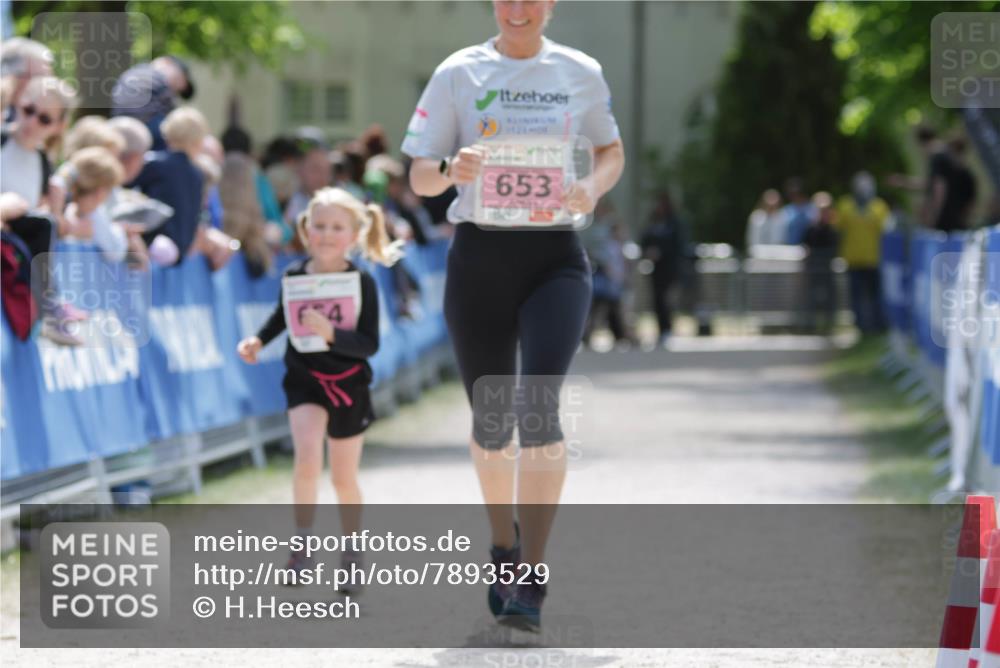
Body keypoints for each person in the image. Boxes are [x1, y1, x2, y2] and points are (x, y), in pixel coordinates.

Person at [403, 0, 625, 631]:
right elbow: (418, 174)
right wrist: (450, 168)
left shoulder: (580, 71)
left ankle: (531, 571)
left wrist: (592, 186)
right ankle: (503, 543)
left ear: (550, 5)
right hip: (479, 258)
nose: (519, 8)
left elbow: (611, 151)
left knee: (539, 406)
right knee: (492, 421)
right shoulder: (458, 72)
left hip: (555, 255)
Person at [236, 187, 403, 590]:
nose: (327, 234)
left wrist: (333, 335)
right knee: (307, 458)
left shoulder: (361, 281)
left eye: (337, 227)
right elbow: (282, 315)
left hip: (348, 384)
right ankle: (302, 546)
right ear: (306, 229)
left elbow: (369, 344)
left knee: (344, 478)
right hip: (304, 377)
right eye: (320, 226)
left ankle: (351, 552)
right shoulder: (294, 275)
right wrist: (258, 340)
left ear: (354, 235)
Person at [130, 106, 208, 263]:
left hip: (157, 243)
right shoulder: (197, 175)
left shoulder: (155, 164)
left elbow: (126, 184)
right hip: (182, 249)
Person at [835, 171, 889, 335]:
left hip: (874, 258)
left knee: (875, 294)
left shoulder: (879, 206)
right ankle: (861, 326)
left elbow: (885, 229)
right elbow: (838, 227)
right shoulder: (845, 205)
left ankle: (878, 324)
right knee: (856, 295)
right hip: (853, 259)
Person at [111, 55, 196, 150]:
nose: (180, 87)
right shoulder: (160, 80)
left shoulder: (131, 74)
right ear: (167, 63)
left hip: (117, 125)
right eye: (181, 79)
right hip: (146, 132)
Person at [641, 191, 686, 347]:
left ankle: (668, 329)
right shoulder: (653, 222)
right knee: (657, 300)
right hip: (656, 270)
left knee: (667, 300)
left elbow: (678, 245)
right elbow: (644, 240)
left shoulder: (674, 223)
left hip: (670, 268)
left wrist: (661, 252)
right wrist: (648, 252)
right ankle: (661, 330)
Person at [801, 191, 839, 334]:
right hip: (813, 270)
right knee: (811, 298)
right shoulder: (811, 229)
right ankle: (810, 325)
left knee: (829, 299)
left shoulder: (833, 230)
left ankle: (829, 325)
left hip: (827, 270)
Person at [932, 136, 978, 233]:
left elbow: (970, 204)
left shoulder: (965, 176)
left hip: (951, 224)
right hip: (950, 222)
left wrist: (934, 215)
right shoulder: (966, 175)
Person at [782, 177, 817, 245]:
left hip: (809, 248)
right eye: (792, 193)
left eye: (798, 193)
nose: (795, 196)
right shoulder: (786, 210)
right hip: (790, 248)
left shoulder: (812, 209)